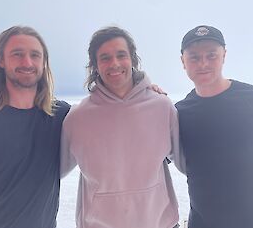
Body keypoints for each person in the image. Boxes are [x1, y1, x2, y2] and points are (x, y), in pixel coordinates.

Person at [60, 26, 185, 228]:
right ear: (94, 65)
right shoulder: (78, 117)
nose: (115, 64)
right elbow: (52, 172)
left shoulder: (162, 107)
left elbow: (187, 163)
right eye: (105, 58)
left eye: (121, 55)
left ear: (133, 59)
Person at [0, 26, 70, 228]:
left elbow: (106, 115)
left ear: (43, 63)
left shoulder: (60, 116)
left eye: (35, 55)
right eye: (17, 54)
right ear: (1, 61)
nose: (27, 62)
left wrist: (144, 88)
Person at [175, 25, 253, 228]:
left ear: (224, 55)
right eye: (194, 57)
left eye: (211, 55)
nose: (203, 63)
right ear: (183, 61)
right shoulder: (177, 113)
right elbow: (149, 156)